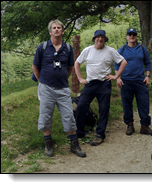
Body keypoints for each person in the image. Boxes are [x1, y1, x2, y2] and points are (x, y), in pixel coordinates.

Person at [32, 19, 86, 158]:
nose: (56, 30)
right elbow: (35, 67)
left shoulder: (68, 48)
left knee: (68, 116)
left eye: (59, 28)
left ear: (62, 31)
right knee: (45, 116)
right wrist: (42, 82)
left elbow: (70, 67)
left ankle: (74, 145)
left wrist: (62, 78)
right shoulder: (42, 47)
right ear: (50, 31)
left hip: (62, 89)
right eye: (54, 28)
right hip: (46, 88)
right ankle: (48, 144)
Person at [74, 30, 127, 146]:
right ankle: (79, 132)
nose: (100, 39)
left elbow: (123, 62)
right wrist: (80, 79)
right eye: (97, 37)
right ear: (94, 39)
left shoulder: (110, 51)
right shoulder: (87, 50)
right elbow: (77, 63)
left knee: (103, 109)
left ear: (105, 39)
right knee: (81, 106)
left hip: (104, 83)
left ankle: (100, 134)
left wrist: (116, 76)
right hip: (90, 83)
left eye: (102, 37)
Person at [115, 28, 152, 136]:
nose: (132, 36)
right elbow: (116, 64)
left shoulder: (142, 49)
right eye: (129, 34)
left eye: (134, 34)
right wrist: (118, 78)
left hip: (140, 80)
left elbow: (148, 62)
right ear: (127, 36)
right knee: (127, 104)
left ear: (137, 36)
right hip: (126, 81)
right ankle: (130, 125)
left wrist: (147, 76)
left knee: (144, 103)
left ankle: (145, 126)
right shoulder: (122, 50)